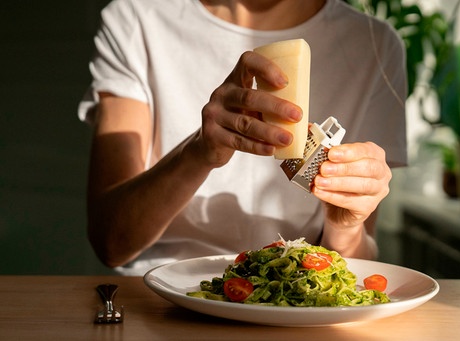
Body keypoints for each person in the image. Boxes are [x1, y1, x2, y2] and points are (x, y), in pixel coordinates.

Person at [78, 0, 407, 275]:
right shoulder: (136, 20)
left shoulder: (374, 44)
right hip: (159, 300)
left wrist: (346, 226)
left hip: (294, 303)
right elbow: (111, 243)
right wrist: (198, 152)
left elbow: (354, 265)